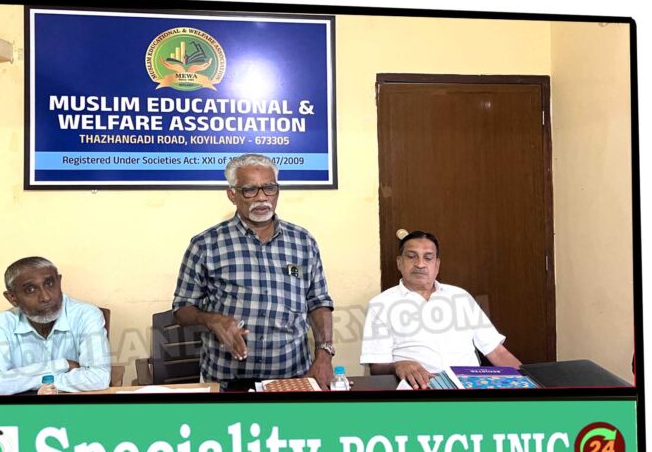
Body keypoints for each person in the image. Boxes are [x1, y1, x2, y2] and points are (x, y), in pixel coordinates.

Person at [172, 153, 335, 388]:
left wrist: (324, 354)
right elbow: (182, 309)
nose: (261, 197)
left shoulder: (303, 241)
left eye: (269, 188)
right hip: (227, 381)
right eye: (249, 190)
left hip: (292, 377)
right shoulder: (205, 245)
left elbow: (318, 302)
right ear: (232, 194)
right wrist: (211, 319)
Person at [360, 231, 521, 389]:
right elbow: (377, 367)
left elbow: (498, 353)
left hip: (469, 388)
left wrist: (530, 384)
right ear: (399, 262)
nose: (420, 264)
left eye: (428, 258)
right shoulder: (381, 304)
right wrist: (399, 365)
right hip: (419, 388)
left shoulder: (460, 297)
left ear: (437, 265)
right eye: (411, 256)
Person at [0, 257, 111, 394]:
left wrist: (19, 382)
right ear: (12, 298)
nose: (45, 297)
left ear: (59, 282)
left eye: (49, 284)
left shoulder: (86, 315)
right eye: (30, 289)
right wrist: (62, 365)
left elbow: (98, 377)